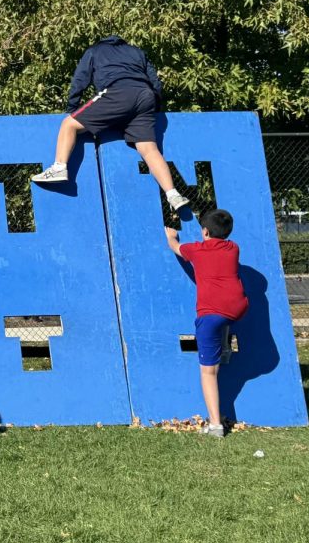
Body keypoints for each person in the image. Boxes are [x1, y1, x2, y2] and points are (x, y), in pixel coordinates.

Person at [31, 35, 190, 211]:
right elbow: (155, 82)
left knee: (68, 124)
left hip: (118, 90)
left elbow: (80, 80)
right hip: (146, 96)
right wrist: (155, 108)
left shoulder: (94, 51)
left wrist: (72, 108)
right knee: (149, 149)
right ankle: (172, 194)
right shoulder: (136, 52)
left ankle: (59, 167)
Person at [165, 209, 249, 437]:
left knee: (209, 371)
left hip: (211, 315)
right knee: (222, 327)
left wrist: (171, 234)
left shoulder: (196, 250)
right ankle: (223, 347)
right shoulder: (233, 249)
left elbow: (175, 247)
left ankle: (215, 425)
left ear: (204, 231)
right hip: (237, 308)